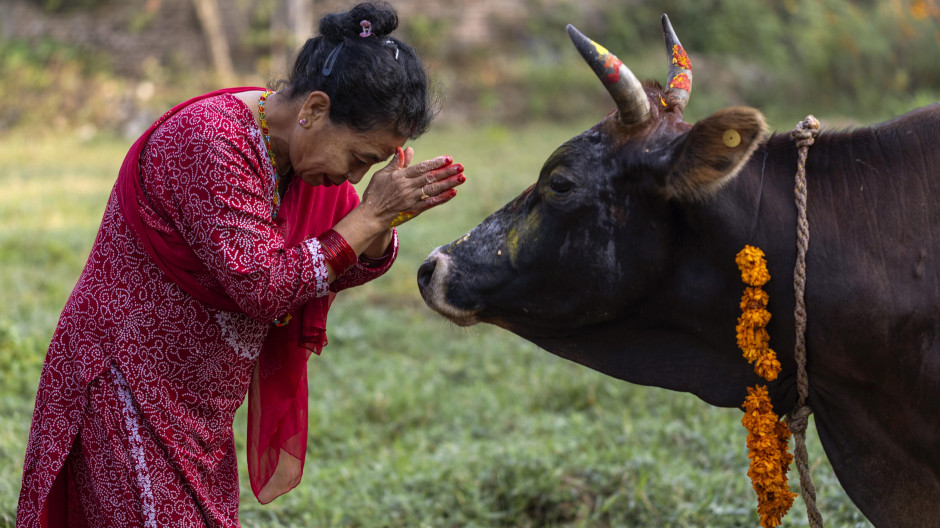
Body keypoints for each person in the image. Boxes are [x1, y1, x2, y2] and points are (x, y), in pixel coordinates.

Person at [16, 2, 465, 526]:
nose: (355, 178)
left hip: (197, 404)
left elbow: (339, 260)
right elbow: (266, 285)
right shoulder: (214, 141)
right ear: (315, 111)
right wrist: (371, 215)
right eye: (361, 157)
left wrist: (381, 219)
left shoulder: (296, 156)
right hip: (126, 386)